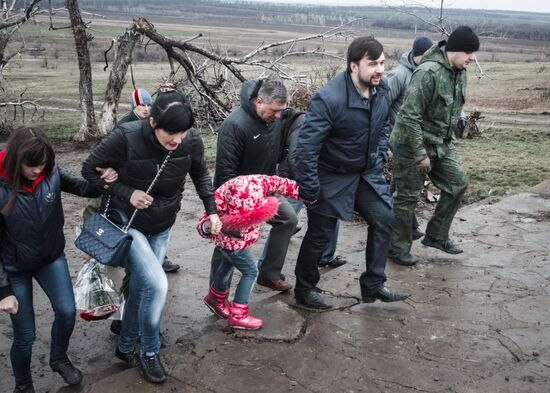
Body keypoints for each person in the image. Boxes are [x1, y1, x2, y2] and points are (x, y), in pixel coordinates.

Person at [82, 89, 221, 384]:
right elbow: (87, 171)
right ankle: (149, 350)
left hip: (162, 223)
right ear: (153, 122)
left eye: (182, 133)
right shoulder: (125, 137)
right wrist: (126, 192)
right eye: (171, 133)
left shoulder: (190, 140)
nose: (177, 140)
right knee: (157, 284)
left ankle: (124, 346)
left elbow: (200, 174)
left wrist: (212, 211)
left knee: (144, 289)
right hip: (127, 224)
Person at [293, 36, 409, 309]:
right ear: (354, 66)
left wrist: (379, 156)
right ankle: (304, 288)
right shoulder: (329, 98)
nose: (379, 69)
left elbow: (382, 127)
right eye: (372, 64)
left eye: (382, 63)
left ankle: (373, 284)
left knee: (384, 218)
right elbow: (306, 149)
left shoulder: (381, 91)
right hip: (331, 175)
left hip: (365, 173)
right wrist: (310, 188)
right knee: (320, 233)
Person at [0, 127, 117, 393]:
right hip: (13, 269)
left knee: (66, 312)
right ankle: (23, 385)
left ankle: (58, 357)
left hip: (50, 258)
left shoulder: (50, 171)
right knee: (25, 336)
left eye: (42, 164)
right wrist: (3, 290)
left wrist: (105, 180)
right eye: (32, 166)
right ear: (16, 159)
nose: (37, 171)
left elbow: (84, 187)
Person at [389, 26, 479, 262]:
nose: (473, 58)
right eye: (469, 52)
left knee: (458, 183)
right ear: (455, 50)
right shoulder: (427, 73)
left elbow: (451, 111)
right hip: (411, 144)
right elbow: (409, 117)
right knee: (407, 197)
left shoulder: (459, 72)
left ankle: (436, 235)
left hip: (440, 143)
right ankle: (397, 248)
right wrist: (419, 153)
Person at [211, 73, 298, 292]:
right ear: (259, 101)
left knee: (288, 219)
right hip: (237, 197)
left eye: (281, 111)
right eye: (274, 111)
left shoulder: (273, 119)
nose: (278, 116)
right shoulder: (235, 125)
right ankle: (217, 292)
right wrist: (229, 212)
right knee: (229, 240)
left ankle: (269, 274)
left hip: (265, 190)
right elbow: (224, 173)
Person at [85, 88, 180, 274]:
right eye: (140, 105)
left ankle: (159, 258)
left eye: (148, 105)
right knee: (118, 220)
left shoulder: (154, 124)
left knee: (155, 223)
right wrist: (109, 169)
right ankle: (110, 251)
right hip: (126, 184)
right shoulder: (123, 127)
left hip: (149, 184)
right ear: (133, 107)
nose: (145, 109)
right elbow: (102, 160)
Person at [199, 174, 299, 330]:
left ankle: (215, 298)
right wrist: (207, 226)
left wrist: (303, 191)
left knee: (227, 264)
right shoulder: (227, 192)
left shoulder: (257, 183)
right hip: (234, 242)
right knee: (251, 272)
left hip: (226, 241)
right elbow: (206, 216)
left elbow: (279, 183)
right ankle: (239, 313)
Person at [277, 108, 347, 269]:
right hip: (294, 179)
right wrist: (308, 184)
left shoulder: (333, 125)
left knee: (331, 214)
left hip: (318, 178)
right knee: (285, 221)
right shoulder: (305, 123)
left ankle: (326, 256)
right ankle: (268, 270)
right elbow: (296, 157)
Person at [385, 36, 433, 266]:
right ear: (416, 55)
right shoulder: (399, 75)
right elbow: (381, 105)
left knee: (400, 185)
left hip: (412, 141)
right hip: (398, 139)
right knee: (402, 189)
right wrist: (384, 140)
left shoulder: (422, 73)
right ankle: (393, 234)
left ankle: (408, 226)